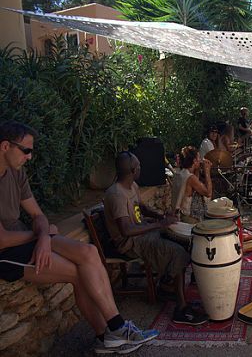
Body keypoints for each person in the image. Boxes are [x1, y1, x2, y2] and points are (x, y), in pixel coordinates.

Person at [0, 121, 159, 354]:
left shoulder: (16, 173)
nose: (30, 157)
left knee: (89, 252)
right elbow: (2, 240)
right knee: (78, 273)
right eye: (26, 150)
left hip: (30, 238)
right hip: (6, 252)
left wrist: (44, 236)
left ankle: (114, 331)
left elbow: (38, 215)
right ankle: (112, 332)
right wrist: (41, 234)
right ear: (5, 146)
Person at [104, 151, 209, 326]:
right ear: (132, 170)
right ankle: (180, 309)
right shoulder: (116, 194)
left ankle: (168, 284)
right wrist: (159, 225)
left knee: (183, 241)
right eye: (138, 166)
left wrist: (161, 217)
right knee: (177, 252)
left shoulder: (132, 186)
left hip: (142, 234)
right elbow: (126, 231)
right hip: (130, 243)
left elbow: (142, 208)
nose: (140, 168)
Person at [172, 147, 213, 224]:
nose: (200, 160)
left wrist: (197, 169)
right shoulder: (190, 178)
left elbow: (194, 186)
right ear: (194, 161)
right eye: (199, 158)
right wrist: (207, 172)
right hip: (187, 218)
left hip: (177, 213)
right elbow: (208, 193)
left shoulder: (178, 173)